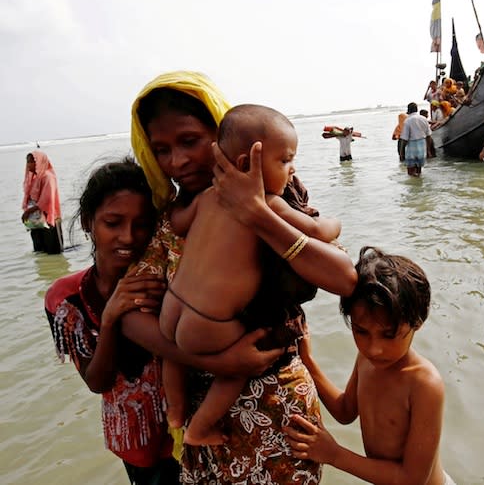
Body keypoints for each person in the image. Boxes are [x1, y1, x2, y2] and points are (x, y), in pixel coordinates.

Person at [128, 71, 358, 484]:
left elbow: (344, 277)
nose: (177, 161)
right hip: (209, 421)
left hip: (278, 410)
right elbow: (131, 315)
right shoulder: (165, 219)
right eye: (161, 150)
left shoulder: (280, 195)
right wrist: (219, 361)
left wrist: (256, 213)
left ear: (223, 139)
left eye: (189, 141)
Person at [159, 104, 344, 446]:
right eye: (285, 160)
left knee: (172, 350)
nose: (292, 169)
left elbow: (178, 223)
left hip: (173, 307)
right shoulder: (269, 204)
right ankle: (199, 428)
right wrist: (336, 223)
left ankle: (176, 409)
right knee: (244, 362)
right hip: (209, 322)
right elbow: (317, 231)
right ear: (247, 165)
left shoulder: (207, 197)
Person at [44, 159, 180, 483]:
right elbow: (97, 382)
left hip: (189, 431)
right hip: (134, 442)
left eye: (142, 224)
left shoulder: (169, 281)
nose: (128, 237)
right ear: (89, 222)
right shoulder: (65, 299)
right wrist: (109, 320)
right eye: (113, 223)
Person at [285, 246, 454, 485]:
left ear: (417, 323)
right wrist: (309, 362)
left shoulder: (423, 384)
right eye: (361, 331)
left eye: (389, 335)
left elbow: (412, 479)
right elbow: (345, 411)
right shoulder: (366, 359)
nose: (374, 348)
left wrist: (334, 454)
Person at [21, 150, 63, 254]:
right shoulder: (34, 178)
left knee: (53, 252)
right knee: (40, 252)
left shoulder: (48, 177)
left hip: (49, 219)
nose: (28, 165)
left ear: (39, 162)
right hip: (37, 221)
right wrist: (28, 212)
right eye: (27, 162)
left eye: (31, 161)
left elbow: (47, 199)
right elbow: (31, 198)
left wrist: (28, 212)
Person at [399, 102, 433, 177]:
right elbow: (429, 136)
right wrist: (428, 150)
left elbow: (404, 139)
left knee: (411, 174)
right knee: (419, 172)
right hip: (422, 147)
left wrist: (401, 153)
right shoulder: (424, 119)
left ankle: (415, 187)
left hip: (412, 148)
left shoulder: (407, 121)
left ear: (408, 110)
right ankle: (420, 187)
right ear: (417, 109)